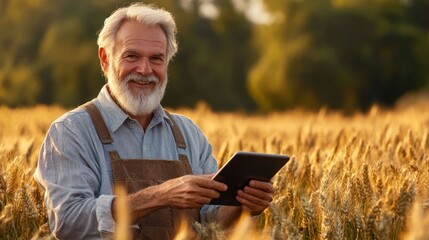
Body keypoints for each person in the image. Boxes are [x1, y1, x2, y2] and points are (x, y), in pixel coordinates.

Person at [34, 3, 275, 239]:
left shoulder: (189, 133)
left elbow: (209, 224)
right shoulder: (71, 132)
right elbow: (68, 221)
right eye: (132, 56)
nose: (145, 69)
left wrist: (243, 206)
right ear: (105, 59)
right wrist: (161, 195)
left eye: (157, 59)